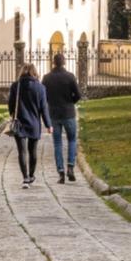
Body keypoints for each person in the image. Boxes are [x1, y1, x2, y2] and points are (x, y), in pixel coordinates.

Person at [7, 62, 50, 186]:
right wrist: (48, 125)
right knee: (33, 151)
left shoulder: (16, 86)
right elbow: (43, 108)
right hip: (34, 123)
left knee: (22, 151)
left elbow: (10, 104)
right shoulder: (41, 88)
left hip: (19, 122)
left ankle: (25, 177)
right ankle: (31, 175)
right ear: (35, 72)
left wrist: (12, 114)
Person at [42, 53, 82, 183]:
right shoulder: (70, 77)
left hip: (54, 113)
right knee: (72, 140)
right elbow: (78, 95)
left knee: (57, 143)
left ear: (53, 62)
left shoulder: (47, 78)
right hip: (68, 112)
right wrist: (71, 102)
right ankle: (70, 166)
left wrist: (50, 103)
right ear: (64, 62)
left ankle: (60, 172)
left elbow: (44, 96)